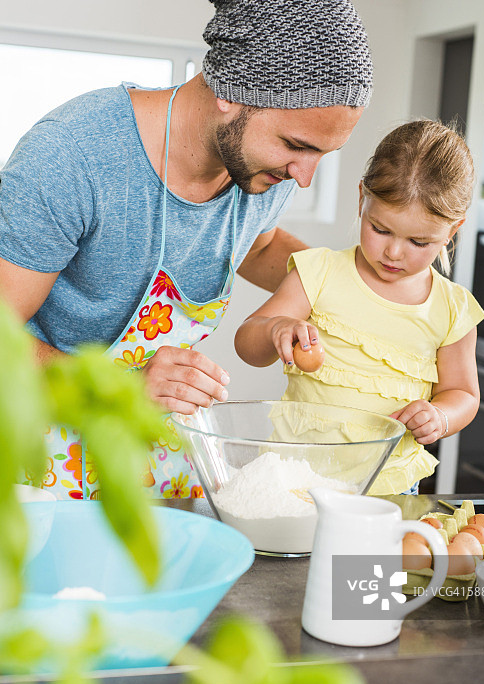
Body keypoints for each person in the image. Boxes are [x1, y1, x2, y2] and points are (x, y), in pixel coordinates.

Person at [0, 0, 373, 499]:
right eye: (296, 145)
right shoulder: (72, 157)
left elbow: (255, 248)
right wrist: (124, 388)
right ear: (231, 91)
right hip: (37, 458)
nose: (304, 178)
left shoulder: (264, 175)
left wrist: (360, 288)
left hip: (156, 463)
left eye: (324, 154)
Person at [234, 119, 484, 495]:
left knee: (367, 558)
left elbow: (463, 394)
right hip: (297, 473)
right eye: (380, 229)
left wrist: (440, 416)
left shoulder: (452, 309)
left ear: (451, 231)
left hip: (388, 482)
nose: (394, 252)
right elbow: (247, 344)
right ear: (361, 200)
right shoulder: (318, 271)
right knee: (293, 555)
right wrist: (275, 329)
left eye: (419, 241)